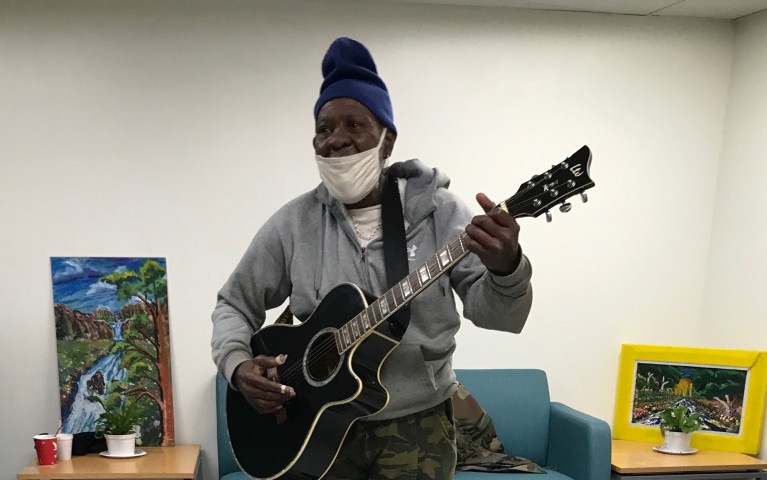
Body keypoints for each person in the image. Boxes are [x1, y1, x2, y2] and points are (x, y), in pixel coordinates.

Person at [211, 37, 533, 480]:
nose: (336, 140)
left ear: (387, 139)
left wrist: (506, 267)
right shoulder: (293, 223)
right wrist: (237, 365)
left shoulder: (443, 213)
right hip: (311, 424)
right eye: (324, 129)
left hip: (417, 427)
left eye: (354, 125)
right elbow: (234, 303)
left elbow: (501, 316)